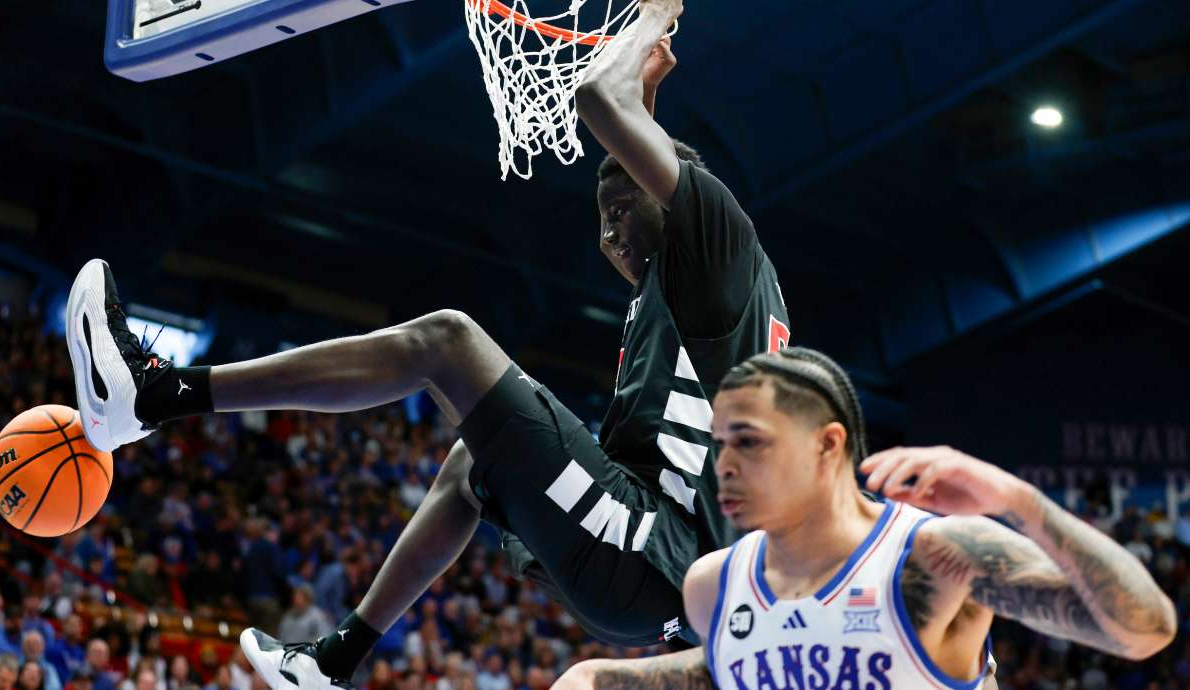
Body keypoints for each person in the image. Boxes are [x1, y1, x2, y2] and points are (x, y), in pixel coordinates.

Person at [64, 0, 787, 685]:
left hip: (646, 551)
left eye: (620, 211)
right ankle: (334, 662)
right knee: (473, 460)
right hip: (645, 561)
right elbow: (638, 158)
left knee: (447, 341)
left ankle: (157, 395)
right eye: (603, 218)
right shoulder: (705, 279)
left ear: (674, 193)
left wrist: (652, 17)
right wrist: (649, 86)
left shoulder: (721, 238)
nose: (607, 236)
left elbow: (601, 101)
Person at [550, 349, 1177, 689]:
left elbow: (1142, 633)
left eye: (750, 442)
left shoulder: (934, 555)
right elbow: (741, 667)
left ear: (827, 446)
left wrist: (1020, 503)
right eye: (719, 445)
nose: (726, 466)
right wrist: (593, 678)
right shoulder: (713, 584)